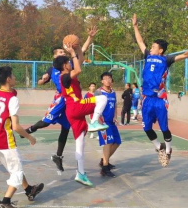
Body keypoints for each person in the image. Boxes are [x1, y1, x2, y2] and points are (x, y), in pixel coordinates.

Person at [25, 27, 98, 173]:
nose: (63, 53)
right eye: (60, 52)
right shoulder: (52, 69)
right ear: (54, 56)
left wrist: (89, 38)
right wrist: (42, 80)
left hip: (70, 99)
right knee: (46, 121)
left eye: (64, 52)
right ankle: (30, 129)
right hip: (60, 98)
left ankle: (58, 156)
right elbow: (40, 82)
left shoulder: (68, 65)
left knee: (65, 128)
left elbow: (81, 52)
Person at [133, 13, 188, 167]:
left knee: (164, 128)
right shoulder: (147, 56)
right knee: (146, 128)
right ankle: (159, 147)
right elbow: (140, 41)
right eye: (151, 47)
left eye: (153, 47)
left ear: (160, 50)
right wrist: (135, 26)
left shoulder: (166, 59)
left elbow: (185, 55)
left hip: (159, 99)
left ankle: (168, 150)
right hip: (147, 99)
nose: (150, 48)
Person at [0, 66, 45, 208]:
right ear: (8, 79)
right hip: (5, 141)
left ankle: (29, 190)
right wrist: (30, 137)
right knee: (17, 172)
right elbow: (15, 126)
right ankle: (5, 202)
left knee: (13, 168)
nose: (15, 77)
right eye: (13, 76)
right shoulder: (12, 99)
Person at [54, 43, 109, 187]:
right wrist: (72, 53)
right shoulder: (64, 77)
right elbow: (78, 68)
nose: (70, 63)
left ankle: (80, 173)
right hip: (76, 106)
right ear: (65, 66)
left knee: (80, 143)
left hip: (72, 112)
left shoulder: (68, 74)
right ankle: (94, 122)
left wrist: (80, 46)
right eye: (68, 62)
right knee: (102, 98)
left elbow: (81, 60)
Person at [97, 72, 120, 177]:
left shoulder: (113, 92)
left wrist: (115, 117)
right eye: (105, 78)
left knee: (117, 142)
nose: (108, 80)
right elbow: (93, 107)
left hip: (111, 122)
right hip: (103, 122)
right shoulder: (99, 92)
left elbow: (114, 105)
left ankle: (104, 160)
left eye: (109, 78)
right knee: (108, 142)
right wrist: (98, 119)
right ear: (102, 81)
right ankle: (105, 168)